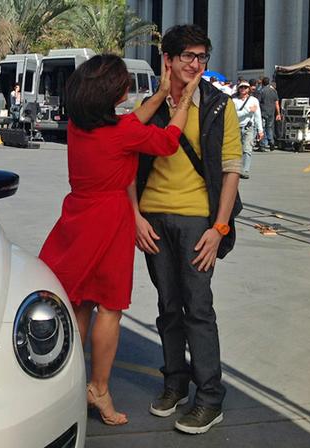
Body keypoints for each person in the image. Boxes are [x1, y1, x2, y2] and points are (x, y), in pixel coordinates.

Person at [39, 54, 200, 426]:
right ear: (111, 92)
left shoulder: (80, 126)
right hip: (110, 221)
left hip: (77, 218)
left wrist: (160, 94)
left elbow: (129, 122)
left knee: (78, 303)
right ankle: (99, 388)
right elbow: (168, 140)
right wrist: (184, 98)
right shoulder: (121, 133)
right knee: (109, 308)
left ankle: (70, 385)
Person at [134, 24, 242, 435]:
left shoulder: (218, 106)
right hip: (153, 221)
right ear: (169, 61)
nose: (196, 65)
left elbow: (231, 170)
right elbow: (126, 159)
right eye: (188, 57)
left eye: (202, 57)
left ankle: (210, 398)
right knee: (167, 306)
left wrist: (219, 226)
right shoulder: (152, 105)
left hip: (199, 221)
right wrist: (136, 217)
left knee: (197, 308)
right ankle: (175, 383)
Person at [232, 81, 263, 178]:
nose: (243, 89)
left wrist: (260, 130)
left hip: (249, 127)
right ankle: (235, 169)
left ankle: (245, 170)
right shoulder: (234, 100)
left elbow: (257, 116)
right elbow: (233, 115)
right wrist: (247, 111)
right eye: (241, 87)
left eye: (245, 87)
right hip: (235, 127)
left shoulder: (254, 100)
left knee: (247, 149)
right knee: (235, 150)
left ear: (249, 89)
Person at [258, 77, 281, 150]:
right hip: (271, 112)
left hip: (263, 112)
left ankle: (263, 145)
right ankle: (271, 142)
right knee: (270, 127)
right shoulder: (273, 91)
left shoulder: (261, 91)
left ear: (262, 83)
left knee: (263, 128)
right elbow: (277, 103)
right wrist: (278, 113)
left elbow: (258, 102)